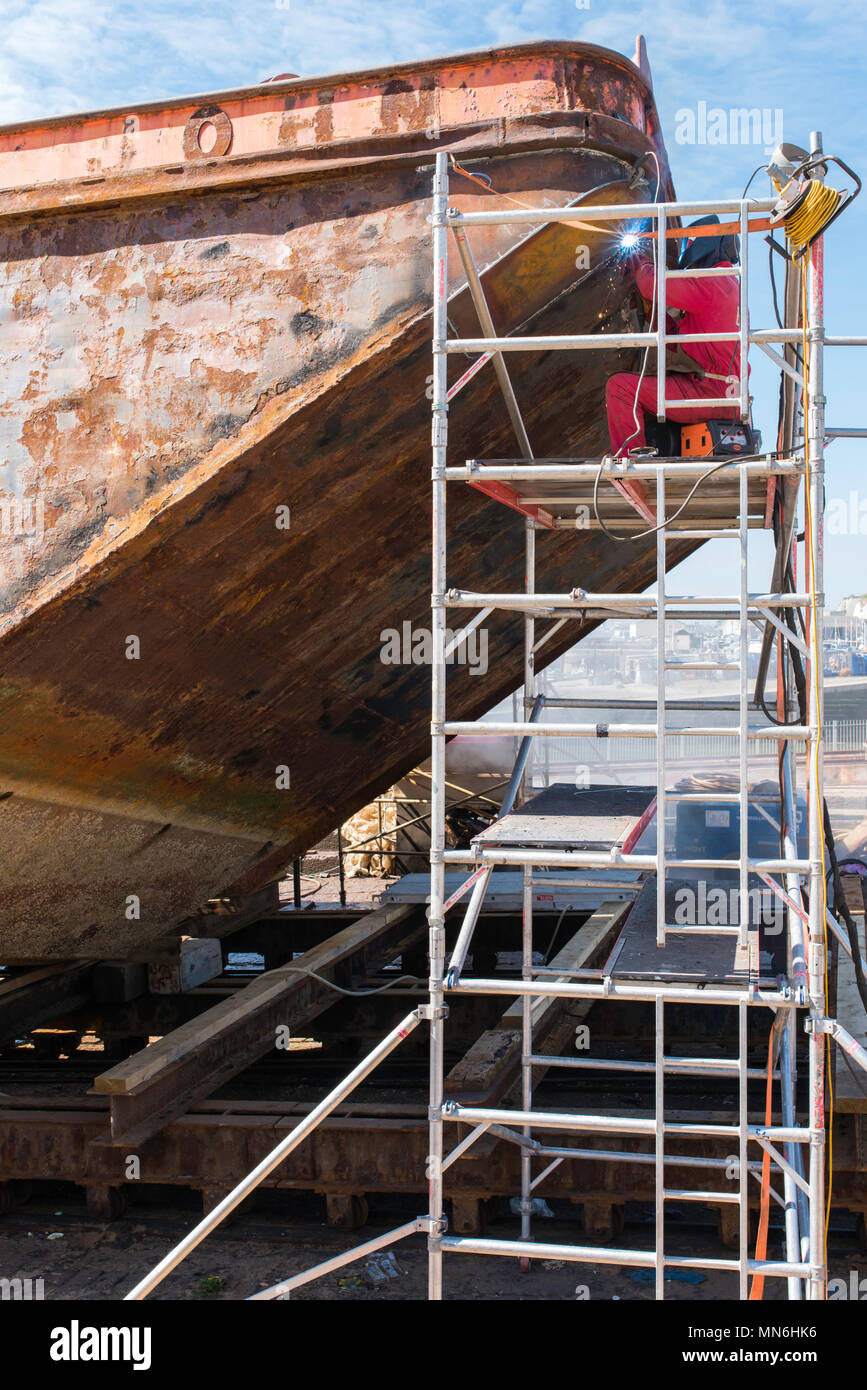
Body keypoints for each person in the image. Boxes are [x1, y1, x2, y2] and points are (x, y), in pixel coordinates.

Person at [605, 215, 744, 460]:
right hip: (726, 393)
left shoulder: (711, 282)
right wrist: (654, 311)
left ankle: (630, 464)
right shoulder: (728, 284)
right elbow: (681, 338)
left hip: (709, 393)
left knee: (621, 389)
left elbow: (650, 284)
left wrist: (636, 258)